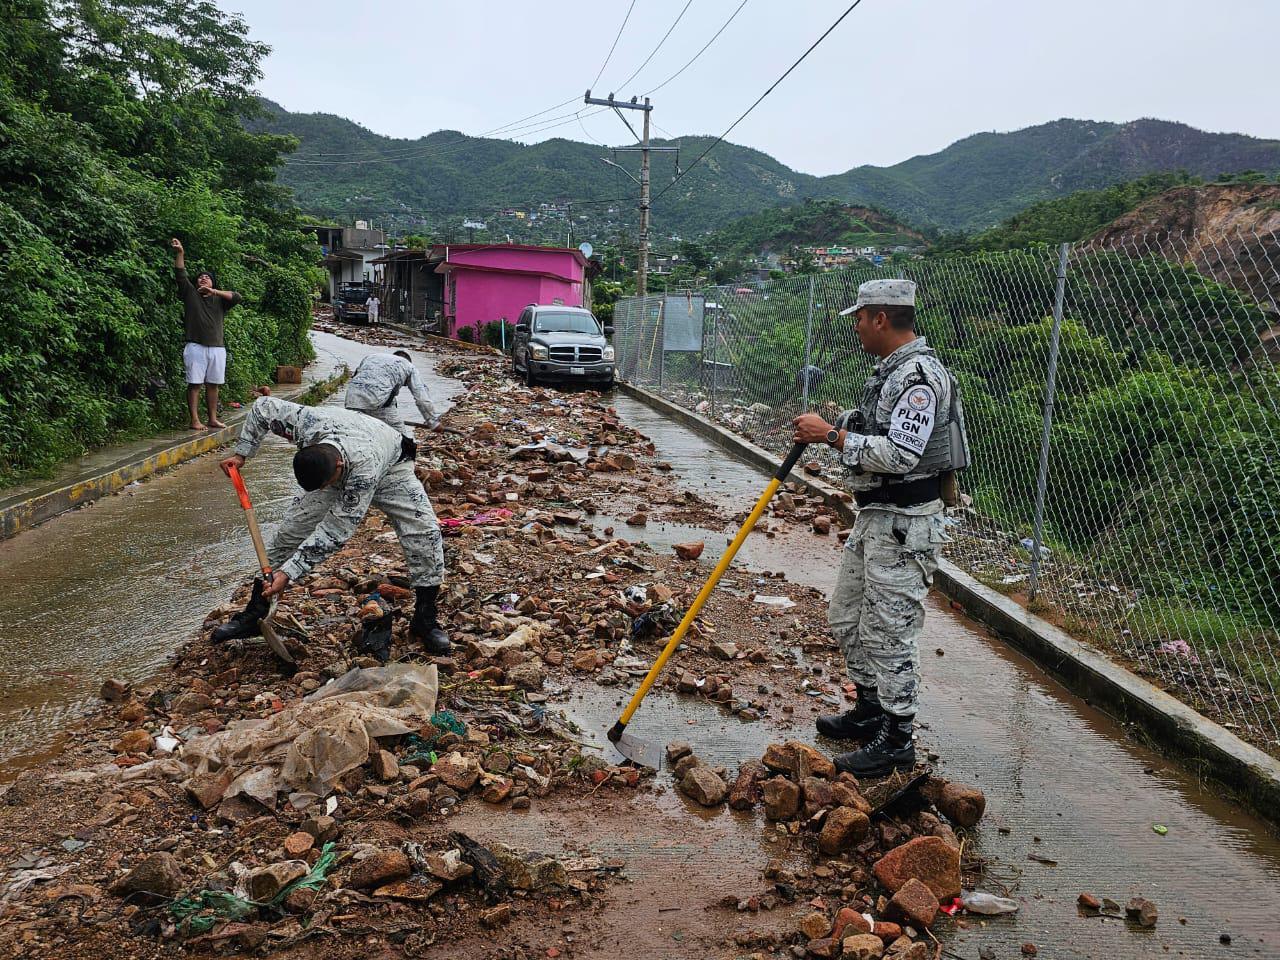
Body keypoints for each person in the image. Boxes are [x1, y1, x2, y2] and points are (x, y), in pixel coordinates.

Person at [792, 279, 968, 778]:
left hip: (906, 523)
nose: (856, 326)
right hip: (877, 516)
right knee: (846, 618)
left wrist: (831, 435)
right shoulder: (889, 373)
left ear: (880, 319)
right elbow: (880, 432)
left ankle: (897, 736)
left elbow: (901, 453)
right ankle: (870, 708)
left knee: (890, 633)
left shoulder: (918, 377)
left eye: (860, 317)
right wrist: (844, 428)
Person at [213, 395, 450, 655]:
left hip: (391, 465)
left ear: (337, 468)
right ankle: (255, 613)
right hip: (342, 450)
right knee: (289, 534)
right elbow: (262, 407)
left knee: (425, 532)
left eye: (328, 484)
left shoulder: (363, 469)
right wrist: (242, 453)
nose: (328, 490)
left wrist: (290, 573)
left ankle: (425, 620)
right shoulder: (307, 424)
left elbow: (336, 530)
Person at [170, 238, 242, 430]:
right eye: (200, 277)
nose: (203, 278)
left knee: (213, 384)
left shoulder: (220, 300)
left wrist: (214, 292)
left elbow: (237, 296)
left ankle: (212, 418)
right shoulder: (190, 293)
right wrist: (180, 253)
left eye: (207, 277)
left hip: (217, 348)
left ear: (213, 283)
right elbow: (180, 274)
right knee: (194, 384)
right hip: (196, 346)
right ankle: (194, 419)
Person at [344, 350, 440, 440]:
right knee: (401, 438)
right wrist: (433, 422)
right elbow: (422, 399)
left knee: (355, 434)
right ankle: (404, 455)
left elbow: (356, 376)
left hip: (351, 399)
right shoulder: (409, 367)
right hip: (375, 402)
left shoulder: (372, 357)